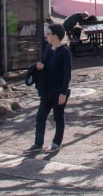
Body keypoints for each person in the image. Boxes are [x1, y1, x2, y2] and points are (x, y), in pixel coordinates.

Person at [26, 23, 72, 154]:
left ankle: (56, 142)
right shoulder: (47, 48)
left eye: (49, 34)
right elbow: (44, 62)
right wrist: (39, 66)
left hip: (59, 90)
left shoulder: (65, 52)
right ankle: (38, 143)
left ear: (56, 36)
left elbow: (67, 74)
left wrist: (63, 92)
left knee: (58, 117)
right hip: (47, 89)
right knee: (40, 116)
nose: (47, 36)